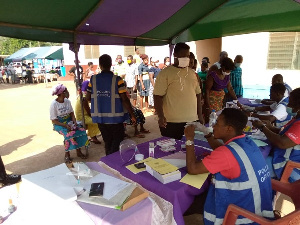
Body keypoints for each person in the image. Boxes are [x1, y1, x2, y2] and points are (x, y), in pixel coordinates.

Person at [184, 108, 274, 224]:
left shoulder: (226, 153)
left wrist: (189, 139)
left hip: (243, 216)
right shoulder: (247, 141)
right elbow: (222, 151)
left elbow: (193, 169)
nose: (213, 126)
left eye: (217, 123)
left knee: (189, 202)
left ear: (229, 129)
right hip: (257, 208)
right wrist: (207, 134)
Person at [86, 54, 136, 155]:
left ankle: (108, 161)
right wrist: (132, 114)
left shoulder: (93, 80)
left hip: (100, 118)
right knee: (117, 142)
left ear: (100, 65)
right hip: (116, 119)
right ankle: (111, 161)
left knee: (107, 141)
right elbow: (124, 99)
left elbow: (87, 98)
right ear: (110, 64)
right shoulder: (118, 80)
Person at [154, 42, 204, 140]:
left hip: (192, 120)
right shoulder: (165, 73)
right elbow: (157, 96)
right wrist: (160, 116)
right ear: (175, 55)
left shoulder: (192, 73)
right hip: (171, 122)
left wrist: (200, 116)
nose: (186, 58)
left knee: (190, 148)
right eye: (183, 55)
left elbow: (198, 94)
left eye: (188, 56)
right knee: (172, 151)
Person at [252, 88, 300, 182]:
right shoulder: (297, 118)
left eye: (291, 103)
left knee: (251, 166)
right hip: (282, 157)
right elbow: (286, 133)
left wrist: (263, 128)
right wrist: (270, 127)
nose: (288, 106)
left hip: (287, 165)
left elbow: (282, 143)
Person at [50, 84, 89, 163]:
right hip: (59, 124)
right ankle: (67, 154)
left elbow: (72, 114)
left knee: (80, 130)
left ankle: (79, 151)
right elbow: (54, 120)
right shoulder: (54, 104)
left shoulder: (67, 101)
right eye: (65, 91)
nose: (67, 93)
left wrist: (75, 123)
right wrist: (65, 125)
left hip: (69, 122)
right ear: (61, 93)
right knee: (68, 134)